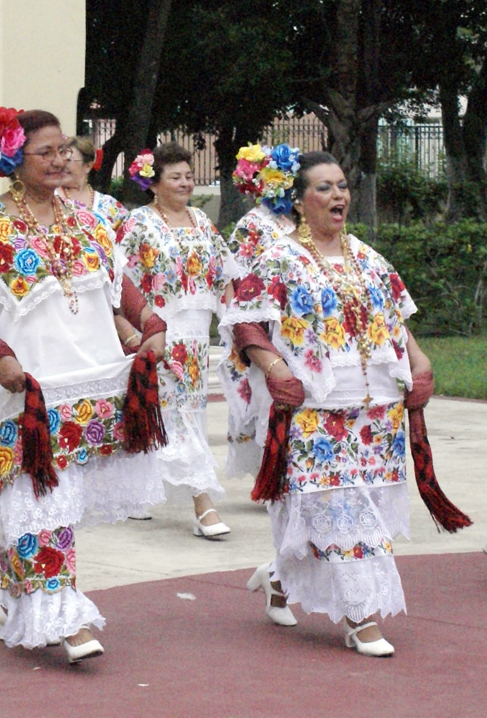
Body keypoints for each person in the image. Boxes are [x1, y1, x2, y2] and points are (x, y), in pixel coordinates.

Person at [0, 107, 167, 663]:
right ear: (13, 161)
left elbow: (121, 287)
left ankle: (12, 598)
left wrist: (150, 326)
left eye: (63, 149)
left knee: (54, 504)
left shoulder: (91, 218)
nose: (59, 160)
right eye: (44, 152)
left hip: (86, 382)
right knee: (39, 502)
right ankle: (62, 618)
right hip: (23, 386)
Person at [222, 151, 437, 657]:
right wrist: (275, 368)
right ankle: (359, 617)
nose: (337, 195)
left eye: (341, 185)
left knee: (371, 510)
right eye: (323, 187)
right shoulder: (278, 257)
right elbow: (244, 321)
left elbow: (396, 322)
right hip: (316, 413)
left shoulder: (368, 257)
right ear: (298, 202)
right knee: (342, 515)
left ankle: (282, 579)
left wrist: (420, 362)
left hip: (377, 412)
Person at [116, 143, 239, 538]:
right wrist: (131, 330)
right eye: (176, 176)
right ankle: (203, 504)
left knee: (184, 413)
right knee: (180, 416)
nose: (186, 182)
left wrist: (234, 324)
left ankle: (137, 490)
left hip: (197, 337)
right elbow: (117, 279)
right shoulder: (138, 224)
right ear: (153, 183)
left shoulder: (202, 220)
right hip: (160, 333)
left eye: (188, 175)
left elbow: (225, 275)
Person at [220, 142, 300, 478]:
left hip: (301, 320)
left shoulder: (301, 218)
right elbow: (237, 276)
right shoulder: (253, 223)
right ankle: (272, 469)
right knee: (269, 391)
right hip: (266, 322)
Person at [56, 136, 127, 233]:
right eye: (61, 160)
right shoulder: (51, 198)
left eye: (69, 160)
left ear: (87, 166)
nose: (62, 165)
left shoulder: (109, 205)